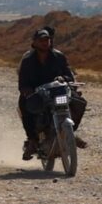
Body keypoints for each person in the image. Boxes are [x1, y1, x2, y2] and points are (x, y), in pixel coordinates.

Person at [17, 26, 86, 160]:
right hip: (39, 94)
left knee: (79, 103)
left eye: (47, 39)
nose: (45, 42)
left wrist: (64, 79)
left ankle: (70, 132)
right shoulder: (27, 60)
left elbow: (69, 75)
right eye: (42, 40)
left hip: (57, 91)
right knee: (25, 106)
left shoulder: (58, 56)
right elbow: (22, 82)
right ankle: (32, 140)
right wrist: (28, 91)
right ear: (35, 42)